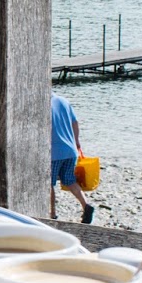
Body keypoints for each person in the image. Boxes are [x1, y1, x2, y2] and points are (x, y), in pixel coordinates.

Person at [50, 92, 95, 223]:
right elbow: (75, 123)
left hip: (54, 152)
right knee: (69, 180)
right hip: (71, 150)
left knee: (48, 184)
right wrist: (76, 142)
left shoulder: (42, 104)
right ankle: (86, 205)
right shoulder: (64, 101)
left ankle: (52, 214)